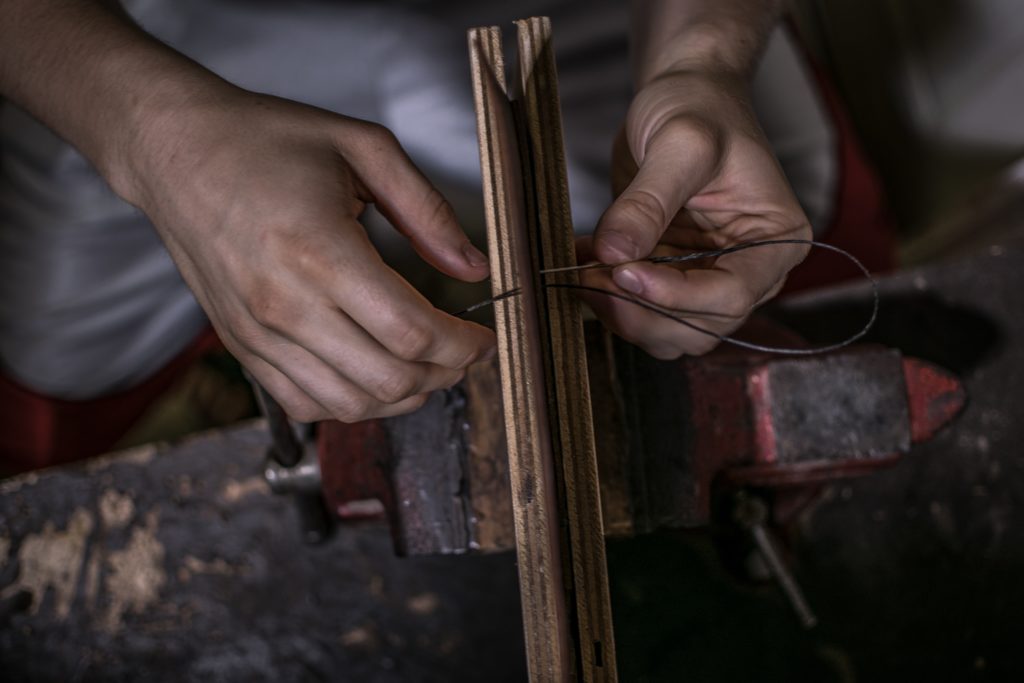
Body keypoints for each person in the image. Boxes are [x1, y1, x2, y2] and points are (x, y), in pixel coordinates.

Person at [0, 1, 839, 462]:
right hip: (141, 43)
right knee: (62, 354)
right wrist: (156, 140)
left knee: (740, 226)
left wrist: (699, 59)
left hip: (588, 20)